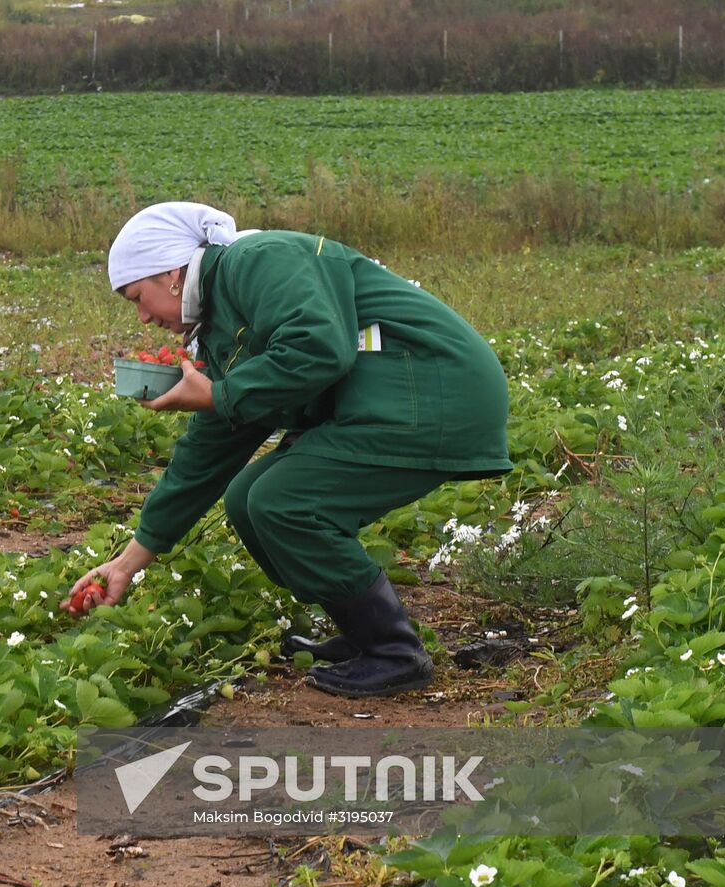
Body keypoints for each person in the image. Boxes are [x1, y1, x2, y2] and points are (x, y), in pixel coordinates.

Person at [61, 202, 512, 698]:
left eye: (137, 299)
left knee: (283, 500)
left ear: (170, 273)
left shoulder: (257, 260)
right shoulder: (219, 320)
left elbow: (318, 347)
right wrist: (126, 565)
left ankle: (395, 652)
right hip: (390, 399)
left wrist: (217, 393)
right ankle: (365, 635)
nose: (144, 317)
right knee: (247, 499)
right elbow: (206, 454)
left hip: (432, 389)